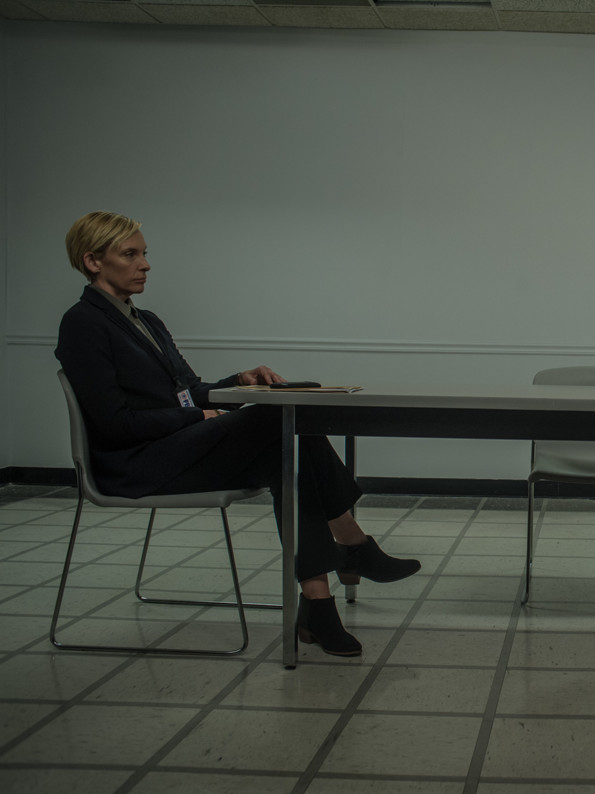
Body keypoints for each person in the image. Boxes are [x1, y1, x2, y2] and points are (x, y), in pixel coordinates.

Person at [55, 211, 420, 658]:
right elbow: (114, 425)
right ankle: (352, 544)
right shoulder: (82, 323)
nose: (145, 264)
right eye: (130, 254)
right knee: (280, 420)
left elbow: (188, 390)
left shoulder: (146, 320)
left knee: (288, 451)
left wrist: (240, 382)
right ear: (93, 261)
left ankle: (319, 604)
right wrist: (195, 417)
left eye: (144, 253)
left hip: (174, 449)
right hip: (136, 464)